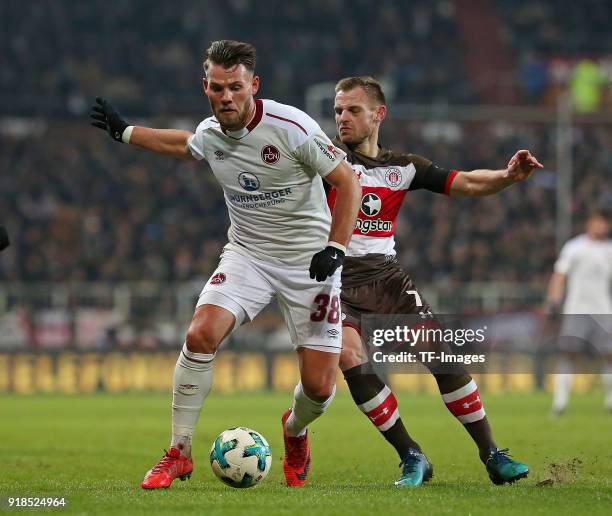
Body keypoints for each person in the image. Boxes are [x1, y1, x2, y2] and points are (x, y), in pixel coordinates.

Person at [91, 40, 360, 489]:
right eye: (218, 88)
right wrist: (126, 132)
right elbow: (185, 145)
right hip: (248, 255)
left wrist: (337, 247)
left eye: (236, 87)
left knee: (318, 388)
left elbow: (346, 181)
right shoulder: (211, 133)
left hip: (310, 262)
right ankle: (178, 451)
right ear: (206, 87)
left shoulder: (292, 127)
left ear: (254, 85)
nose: (227, 97)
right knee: (199, 334)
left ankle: (295, 431)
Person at [327, 76, 543, 487]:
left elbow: (467, 183)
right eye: (338, 111)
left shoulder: (405, 167)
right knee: (349, 356)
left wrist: (508, 176)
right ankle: (411, 455)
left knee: (440, 354)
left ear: (378, 115)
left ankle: (492, 454)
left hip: (387, 279)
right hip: (337, 281)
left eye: (353, 110)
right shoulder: (323, 158)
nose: (343, 119)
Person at [546, 209, 612, 415]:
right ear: (589, 222)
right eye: (598, 221)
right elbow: (559, 275)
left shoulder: (610, 250)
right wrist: (554, 300)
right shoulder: (575, 247)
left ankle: (610, 402)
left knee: (609, 355)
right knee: (567, 354)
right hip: (576, 310)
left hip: (603, 311)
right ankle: (560, 403)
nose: (601, 226)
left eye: (605, 222)